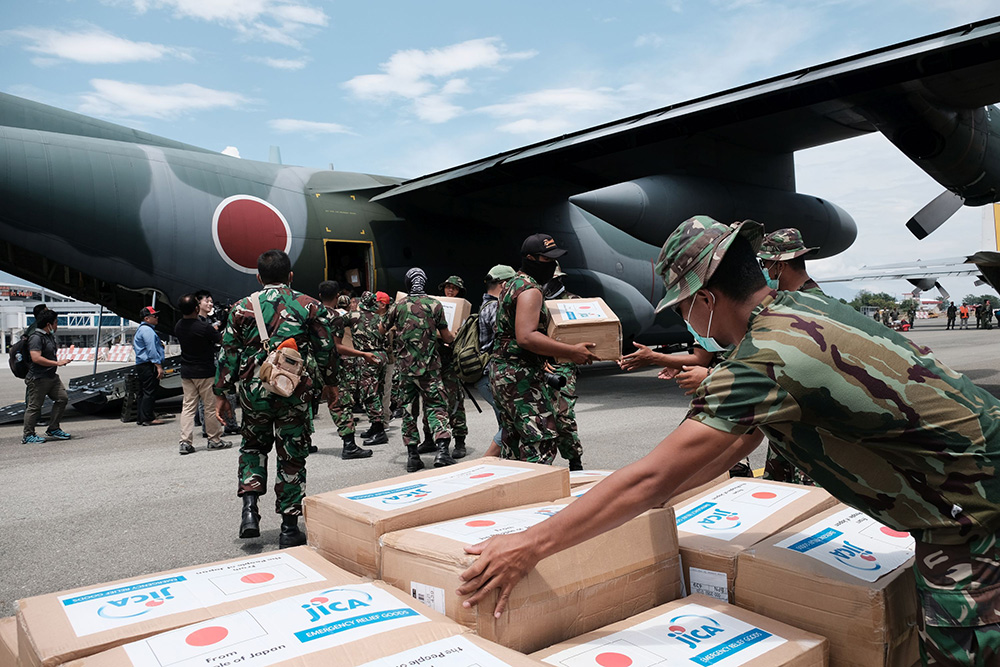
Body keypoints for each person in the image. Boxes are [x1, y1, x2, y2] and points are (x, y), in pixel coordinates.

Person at [457, 216, 1000, 666]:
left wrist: (529, 543)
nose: (687, 319)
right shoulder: (804, 311)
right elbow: (732, 448)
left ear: (706, 299)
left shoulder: (764, 357)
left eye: (683, 306)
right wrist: (648, 510)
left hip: (976, 513)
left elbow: (651, 477)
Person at [214, 250, 339, 548]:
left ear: (259, 277)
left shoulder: (241, 308)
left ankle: (249, 513)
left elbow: (228, 354)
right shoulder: (309, 306)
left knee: (253, 447)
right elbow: (326, 349)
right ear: (291, 276)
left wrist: (221, 394)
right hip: (293, 393)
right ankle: (288, 528)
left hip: (254, 394)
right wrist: (332, 386)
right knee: (292, 455)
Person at [490, 234, 598, 464]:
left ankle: (516, 495)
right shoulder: (531, 290)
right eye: (546, 259)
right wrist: (571, 351)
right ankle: (536, 494)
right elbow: (526, 337)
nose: (551, 265)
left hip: (503, 373)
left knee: (514, 441)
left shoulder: (511, 285)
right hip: (520, 377)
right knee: (541, 441)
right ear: (530, 258)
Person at [756, 227, 820, 486]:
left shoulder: (807, 308)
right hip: (789, 427)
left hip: (810, 430)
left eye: (765, 264)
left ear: (779, 266)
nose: (764, 271)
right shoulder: (790, 303)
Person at [382, 267, 455, 472]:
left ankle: (413, 456)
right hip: (430, 369)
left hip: (405, 369)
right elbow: (446, 336)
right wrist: (453, 338)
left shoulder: (398, 306)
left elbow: (381, 329)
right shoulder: (435, 304)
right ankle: (442, 452)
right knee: (437, 408)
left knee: (408, 411)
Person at [316, 282, 374, 459]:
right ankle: (349, 445)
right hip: (332, 367)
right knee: (341, 403)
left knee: (306, 406)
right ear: (337, 296)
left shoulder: (310, 313)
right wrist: (362, 353)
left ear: (320, 295)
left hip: (312, 366)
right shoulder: (336, 317)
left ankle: (304, 444)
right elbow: (338, 346)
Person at [174, 293, 231, 455]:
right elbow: (220, 340)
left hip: (187, 372)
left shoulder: (179, 325)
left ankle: (185, 442)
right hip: (205, 372)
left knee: (188, 408)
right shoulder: (203, 327)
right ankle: (214, 440)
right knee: (210, 408)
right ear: (197, 308)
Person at [542, 265, 585, 470]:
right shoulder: (537, 303)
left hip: (564, 365)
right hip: (541, 364)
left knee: (562, 416)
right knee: (540, 416)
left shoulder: (572, 302)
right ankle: (542, 463)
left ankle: (574, 459)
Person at [477, 265, 517, 457]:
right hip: (493, 374)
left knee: (505, 423)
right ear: (503, 285)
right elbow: (505, 336)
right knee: (513, 423)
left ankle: (505, 462)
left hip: (488, 375)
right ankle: (485, 463)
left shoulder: (487, 305)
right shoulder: (495, 307)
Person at [21, 309, 71, 443]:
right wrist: (57, 363)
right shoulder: (36, 337)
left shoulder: (49, 336)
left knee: (62, 399)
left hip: (51, 376)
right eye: (55, 322)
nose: (57, 325)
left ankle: (53, 428)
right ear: (48, 324)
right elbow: (36, 358)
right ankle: (28, 435)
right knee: (34, 407)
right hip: (38, 378)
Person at [355, 291, 391, 447]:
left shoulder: (356, 317)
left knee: (370, 394)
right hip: (382, 356)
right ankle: (376, 426)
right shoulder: (381, 318)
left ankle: (379, 430)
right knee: (379, 392)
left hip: (368, 358)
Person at [133, 305, 165, 426]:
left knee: (143, 391)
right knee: (149, 392)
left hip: (142, 364)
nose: (157, 318)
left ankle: (141, 417)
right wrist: (158, 366)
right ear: (147, 318)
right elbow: (151, 350)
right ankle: (148, 418)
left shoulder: (141, 330)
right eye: (154, 316)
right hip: (148, 364)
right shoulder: (147, 331)